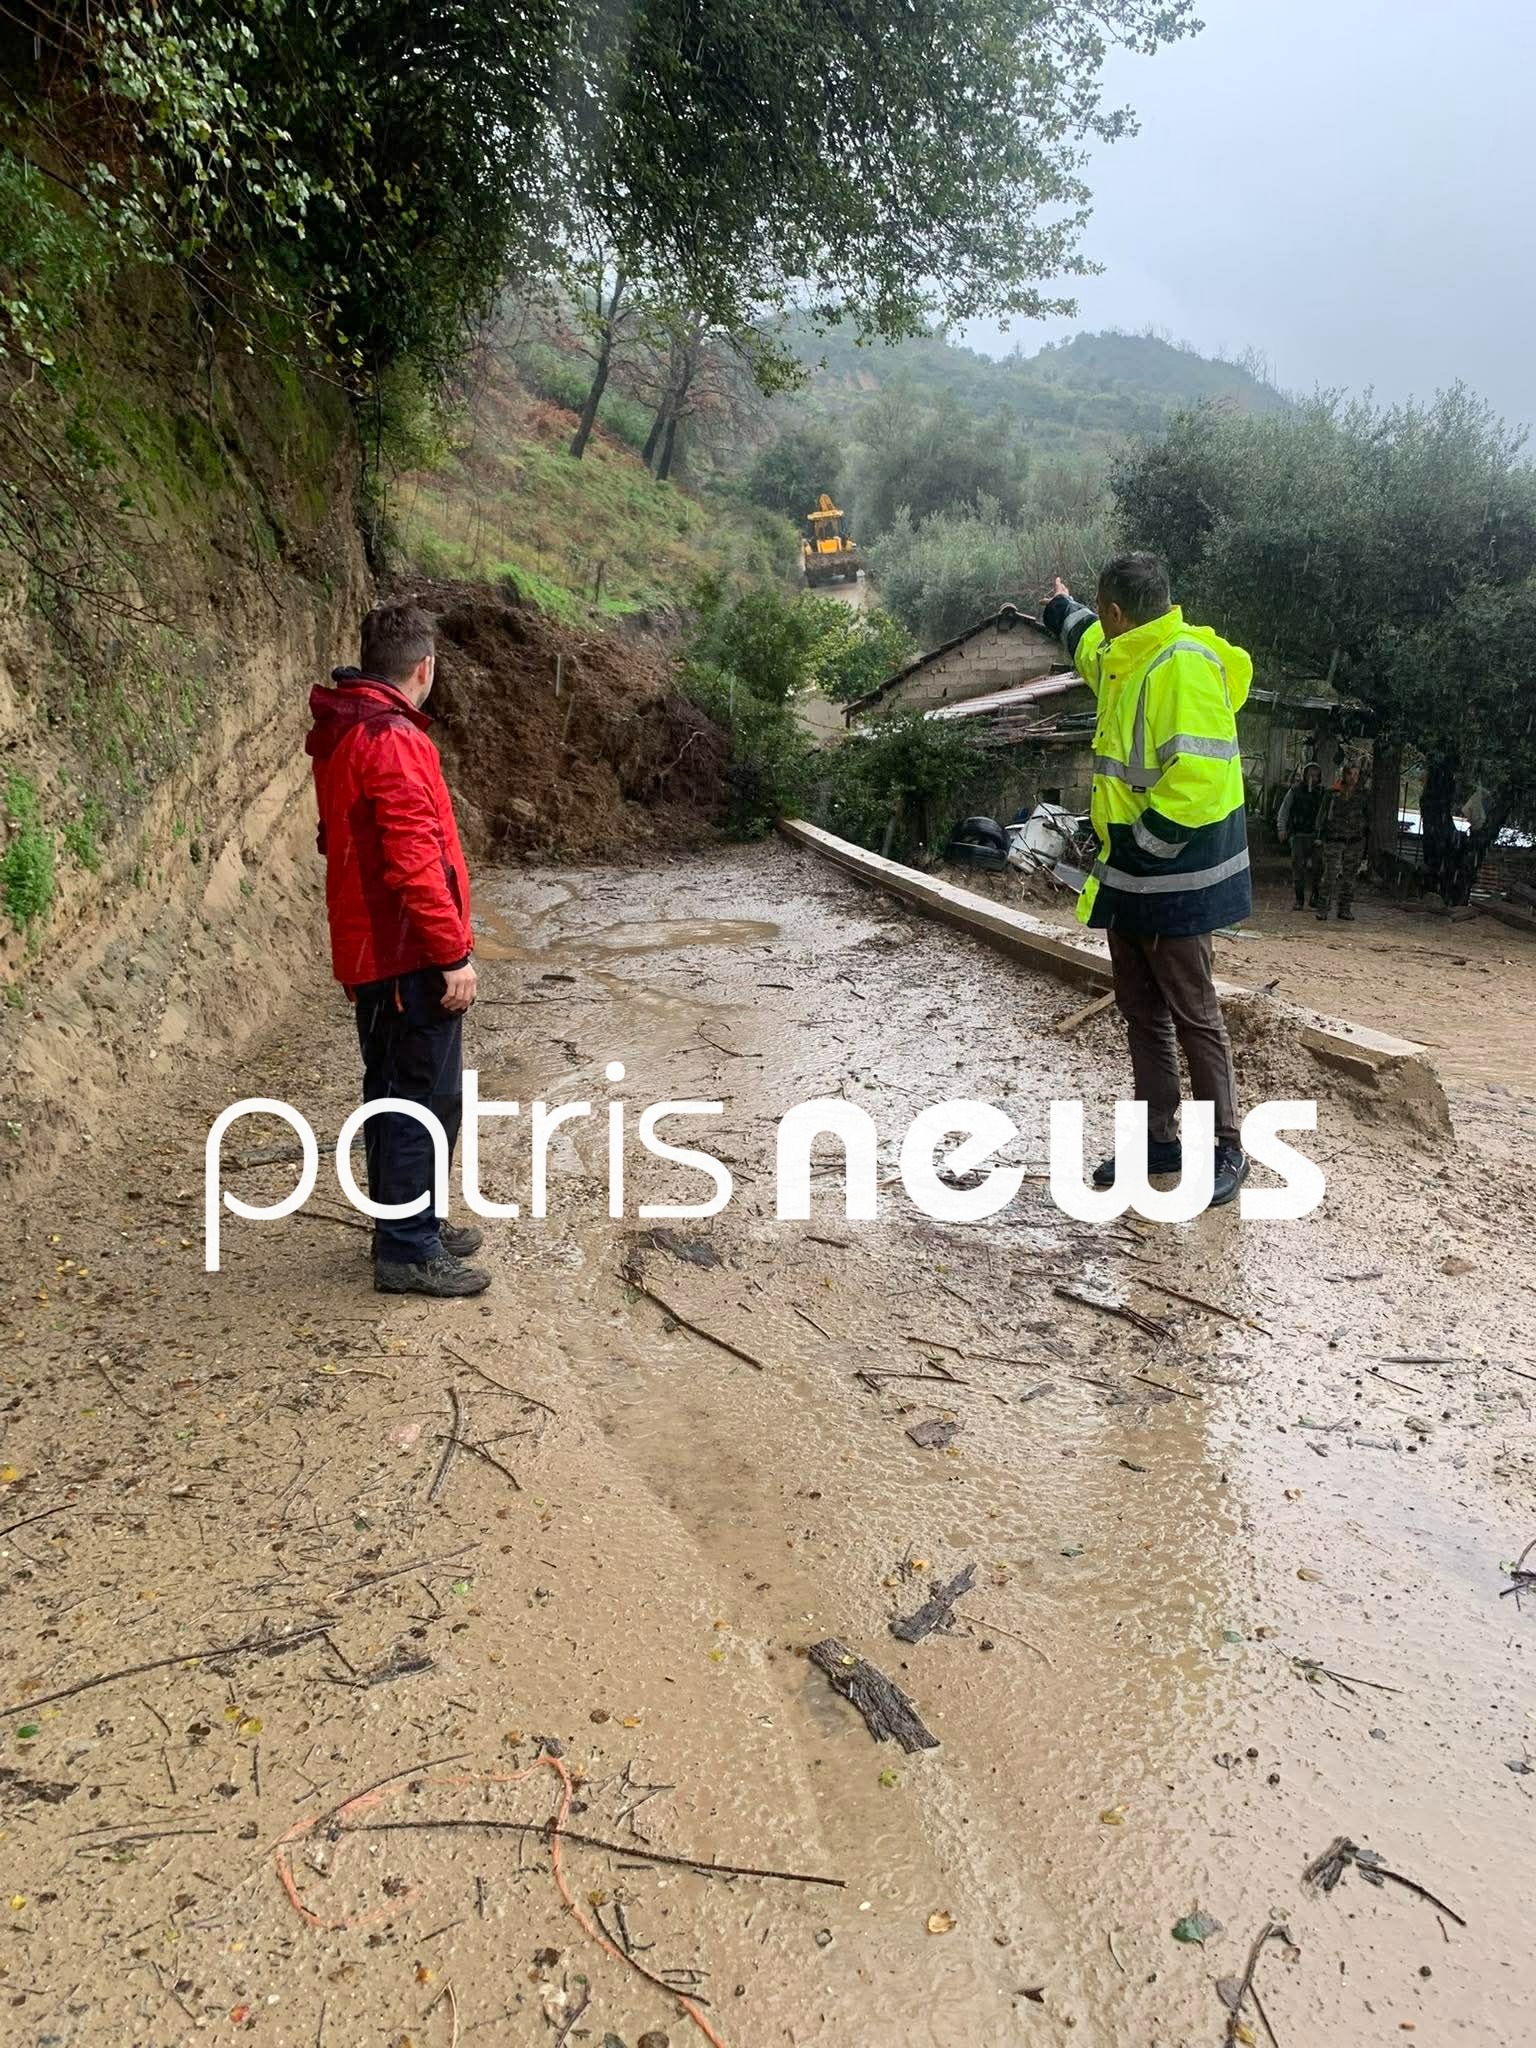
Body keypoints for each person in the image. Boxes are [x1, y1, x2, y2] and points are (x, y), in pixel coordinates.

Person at [1042, 553, 1251, 1208]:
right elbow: (1086, 649)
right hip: (1130, 878)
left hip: (1176, 877)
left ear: (1117, 612)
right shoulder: (1125, 652)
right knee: (1142, 1014)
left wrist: (1142, 846)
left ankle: (1226, 1147)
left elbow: (1197, 782)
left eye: (1096, 615)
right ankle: (1159, 1142)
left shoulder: (1179, 666)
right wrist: (1060, 609)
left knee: (1194, 1013)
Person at [306, 601, 491, 1296]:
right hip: (407, 953)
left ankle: (410, 1224)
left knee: (395, 1091)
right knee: (422, 1097)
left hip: (379, 950)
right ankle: (409, 1250)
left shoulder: (348, 730)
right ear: (425, 668)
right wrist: (452, 954)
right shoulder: (392, 739)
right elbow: (415, 858)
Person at [1315, 759, 1371, 921]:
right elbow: (1322, 816)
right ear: (1344, 774)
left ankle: (1345, 908)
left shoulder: (1363, 795)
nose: (1353, 778)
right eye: (1350, 774)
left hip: (1355, 840)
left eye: (1356, 774)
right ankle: (1323, 908)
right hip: (1334, 839)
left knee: (1350, 877)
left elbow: (1369, 818)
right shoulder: (1332, 793)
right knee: (1330, 875)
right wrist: (1319, 836)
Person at [1276, 761, 1325, 909]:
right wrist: (1281, 829)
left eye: (1316, 775)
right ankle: (1299, 899)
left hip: (1316, 836)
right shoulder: (1295, 791)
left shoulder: (1322, 793)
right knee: (1298, 868)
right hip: (1298, 835)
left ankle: (1315, 897)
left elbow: (1326, 814)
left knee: (1318, 868)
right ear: (1304, 775)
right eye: (1310, 774)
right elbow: (1284, 811)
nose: (1313, 778)